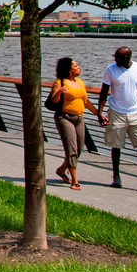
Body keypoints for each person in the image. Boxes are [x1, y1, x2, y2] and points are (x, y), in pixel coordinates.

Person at [97, 46, 137, 192]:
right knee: (116, 145)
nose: (115, 60)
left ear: (127, 58)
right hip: (116, 111)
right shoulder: (110, 70)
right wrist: (100, 112)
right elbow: (104, 92)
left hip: (135, 112)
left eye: (118, 57)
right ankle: (116, 176)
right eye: (115, 57)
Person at [49, 57, 99, 191]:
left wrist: (98, 114)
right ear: (69, 70)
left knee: (79, 148)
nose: (79, 68)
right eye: (76, 66)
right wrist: (59, 92)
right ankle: (75, 181)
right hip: (64, 117)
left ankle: (61, 170)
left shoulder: (80, 82)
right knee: (71, 149)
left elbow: (86, 101)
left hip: (79, 118)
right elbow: (53, 101)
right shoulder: (59, 83)